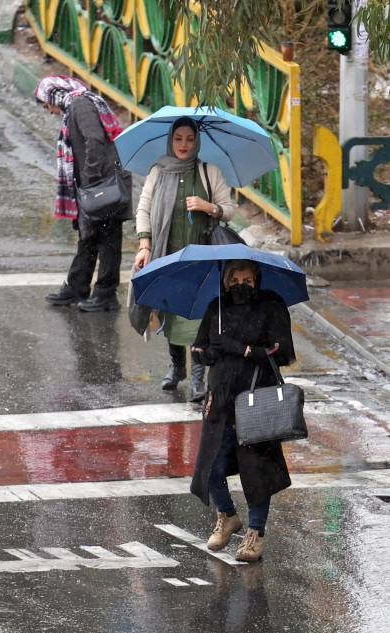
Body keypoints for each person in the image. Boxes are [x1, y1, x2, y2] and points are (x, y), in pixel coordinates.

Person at [190, 259, 295, 562]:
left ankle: (255, 534)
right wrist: (213, 349)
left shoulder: (271, 305)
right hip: (219, 399)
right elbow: (200, 350)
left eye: (247, 279)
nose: (240, 285)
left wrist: (245, 349)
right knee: (210, 467)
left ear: (257, 279)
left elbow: (283, 351)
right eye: (234, 279)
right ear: (225, 281)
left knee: (256, 471)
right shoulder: (216, 307)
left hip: (256, 399)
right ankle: (227, 514)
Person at [134, 116, 234, 402]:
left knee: (198, 316)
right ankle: (177, 366)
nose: (184, 145)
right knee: (171, 311)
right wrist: (145, 244)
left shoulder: (207, 171)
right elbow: (143, 209)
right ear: (170, 139)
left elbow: (229, 210)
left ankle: (199, 377)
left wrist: (209, 207)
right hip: (167, 254)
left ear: (197, 141)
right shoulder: (158, 172)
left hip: (201, 256)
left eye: (190, 139)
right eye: (178, 138)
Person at [35, 75, 128, 312]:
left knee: (106, 239)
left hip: (101, 185)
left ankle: (105, 294)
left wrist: (91, 178)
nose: (50, 110)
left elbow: (95, 140)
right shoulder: (75, 105)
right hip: (96, 184)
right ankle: (77, 287)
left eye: (47, 104)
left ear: (53, 95)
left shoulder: (79, 105)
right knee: (89, 237)